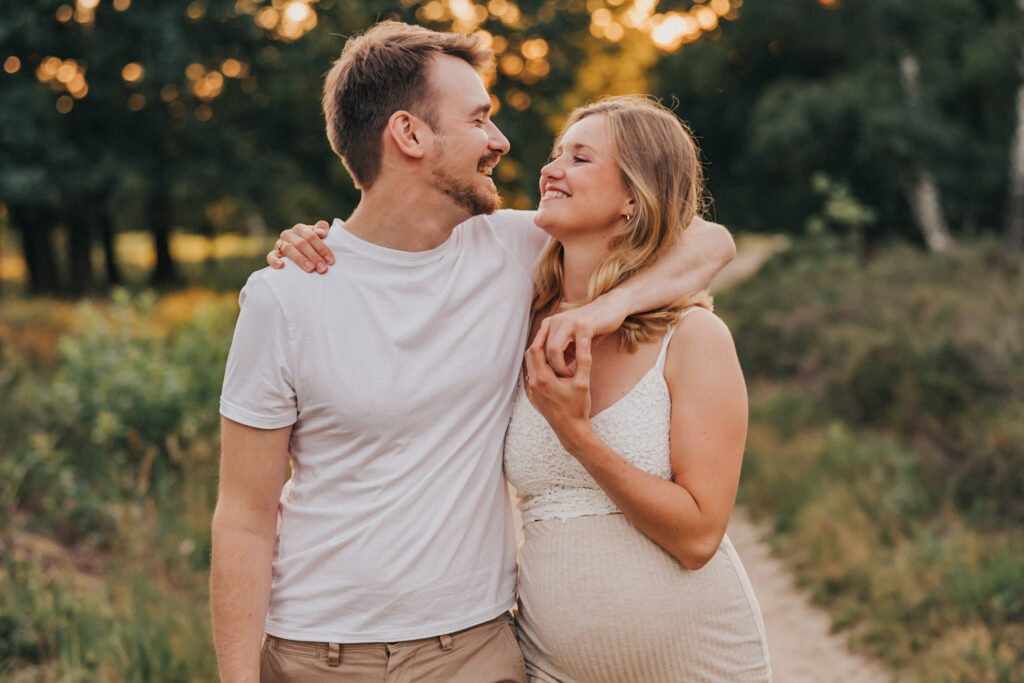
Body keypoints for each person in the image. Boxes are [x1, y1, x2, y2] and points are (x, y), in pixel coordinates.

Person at [212, 21, 734, 683]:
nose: (501, 141)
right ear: (409, 135)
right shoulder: (285, 294)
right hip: (317, 654)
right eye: (479, 118)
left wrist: (610, 306)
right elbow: (244, 517)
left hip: (475, 651)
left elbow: (710, 241)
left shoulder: (514, 249)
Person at [505, 97, 771, 681]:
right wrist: (319, 242)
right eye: (556, 154)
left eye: (579, 158)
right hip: (551, 667)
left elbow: (699, 537)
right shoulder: (516, 318)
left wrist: (576, 433)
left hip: (699, 665)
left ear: (633, 198)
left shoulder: (692, 336)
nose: (550, 169)